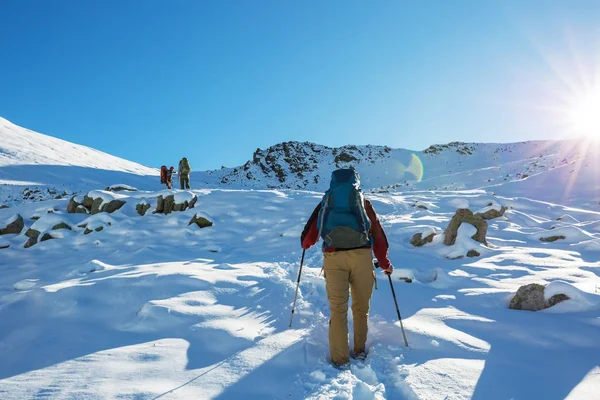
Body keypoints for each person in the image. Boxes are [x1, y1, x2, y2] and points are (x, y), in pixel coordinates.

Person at [301, 168, 393, 368]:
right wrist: (384, 263)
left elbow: (309, 236)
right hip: (361, 257)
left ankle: (340, 359)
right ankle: (359, 351)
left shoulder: (327, 202)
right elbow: (378, 236)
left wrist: (306, 245)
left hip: (333, 258)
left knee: (337, 310)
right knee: (361, 308)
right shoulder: (363, 202)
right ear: (356, 182)